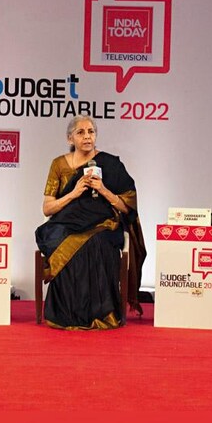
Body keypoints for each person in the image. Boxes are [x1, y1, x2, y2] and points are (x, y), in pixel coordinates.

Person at [34, 115, 147, 329]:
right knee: (64, 241)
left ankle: (101, 313)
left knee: (96, 243)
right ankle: (67, 314)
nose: (87, 137)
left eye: (91, 132)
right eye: (81, 132)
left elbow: (127, 207)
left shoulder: (111, 164)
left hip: (104, 224)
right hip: (67, 223)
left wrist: (103, 189)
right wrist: (74, 193)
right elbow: (47, 208)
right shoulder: (58, 165)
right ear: (70, 138)